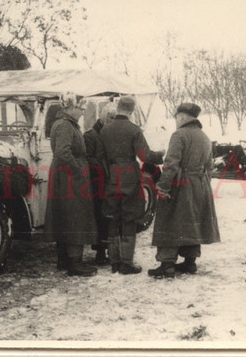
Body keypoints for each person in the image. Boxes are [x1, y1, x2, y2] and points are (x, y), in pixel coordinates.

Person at [149, 102, 220, 279]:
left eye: (176, 117)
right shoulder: (204, 136)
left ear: (182, 117)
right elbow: (210, 166)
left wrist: (163, 187)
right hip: (200, 184)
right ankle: (190, 262)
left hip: (181, 184)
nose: (175, 121)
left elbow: (171, 164)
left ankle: (167, 265)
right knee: (193, 220)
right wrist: (203, 184)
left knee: (170, 220)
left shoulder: (179, 135)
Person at [99, 96, 164, 275]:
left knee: (112, 217)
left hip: (110, 176)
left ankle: (114, 262)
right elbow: (144, 156)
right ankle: (126, 263)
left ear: (118, 107)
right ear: (132, 110)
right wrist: (160, 155)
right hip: (129, 176)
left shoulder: (105, 130)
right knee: (129, 218)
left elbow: (100, 156)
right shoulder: (134, 130)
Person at [45, 96, 98, 277]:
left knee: (64, 216)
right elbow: (63, 152)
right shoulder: (66, 125)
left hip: (63, 176)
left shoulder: (63, 123)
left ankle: (64, 259)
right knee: (76, 216)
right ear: (71, 108)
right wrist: (78, 170)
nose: (83, 113)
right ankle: (75, 263)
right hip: (70, 178)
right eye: (81, 109)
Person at [83, 102, 117, 265]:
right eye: (111, 117)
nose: (112, 121)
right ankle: (100, 252)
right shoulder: (90, 136)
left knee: (108, 216)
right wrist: (102, 167)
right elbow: (87, 158)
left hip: (108, 180)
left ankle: (108, 250)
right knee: (99, 215)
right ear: (104, 116)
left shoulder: (107, 133)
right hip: (97, 182)